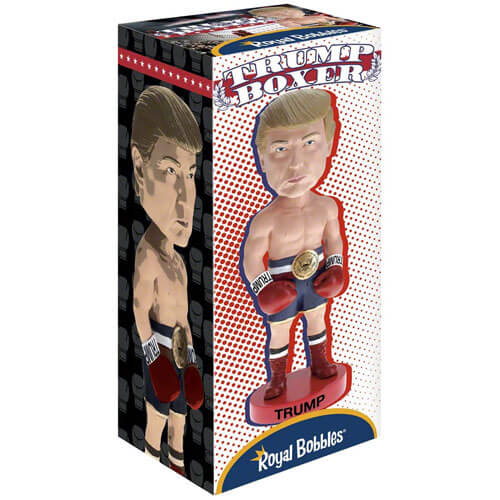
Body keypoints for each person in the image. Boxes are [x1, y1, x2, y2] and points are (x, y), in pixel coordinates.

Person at [242, 89, 348, 400]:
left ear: (328, 144)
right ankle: (277, 379)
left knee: (317, 318)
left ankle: (320, 362)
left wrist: (336, 267)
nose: (295, 164)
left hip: (316, 278)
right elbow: (251, 259)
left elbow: (334, 240)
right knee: (279, 329)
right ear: (262, 157)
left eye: (309, 143)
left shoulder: (327, 207)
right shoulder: (265, 220)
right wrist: (263, 287)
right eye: (281, 148)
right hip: (281, 282)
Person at [131, 86, 204, 474]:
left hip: (177, 350)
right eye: (170, 170)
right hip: (157, 350)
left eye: (190, 174)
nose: (185, 198)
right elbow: (139, 308)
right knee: (156, 424)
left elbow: (185, 320)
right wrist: (152, 359)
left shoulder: (178, 263)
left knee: (179, 426)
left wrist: (191, 362)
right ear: (139, 168)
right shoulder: (146, 255)